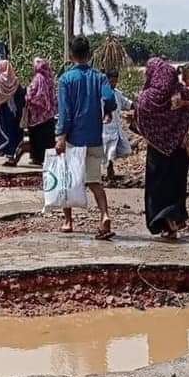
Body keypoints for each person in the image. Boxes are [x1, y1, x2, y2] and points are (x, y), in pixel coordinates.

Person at [136, 57, 189, 239]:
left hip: (156, 152)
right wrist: (181, 129)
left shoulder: (145, 99)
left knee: (157, 188)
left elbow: (139, 123)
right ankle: (175, 220)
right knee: (176, 186)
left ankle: (165, 224)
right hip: (179, 150)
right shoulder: (182, 92)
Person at [56, 35, 116, 239]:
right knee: (94, 181)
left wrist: (61, 136)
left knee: (68, 180)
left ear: (71, 55)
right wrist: (107, 110)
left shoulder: (65, 79)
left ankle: (68, 221)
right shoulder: (99, 77)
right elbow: (109, 97)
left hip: (74, 138)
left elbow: (64, 111)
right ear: (89, 55)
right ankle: (104, 215)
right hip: (94, 137)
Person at [0, 60, 26, 166]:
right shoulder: (16, 81)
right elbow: (21, 95)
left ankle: (10, 156)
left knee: (6, 131)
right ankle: (15, 151)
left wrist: (2, 99)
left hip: (4, 111)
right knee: (15, 131)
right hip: (16, 112)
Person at [102, 69, 133, 182]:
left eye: (115, 81)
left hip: (116, 127)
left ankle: (110, 167)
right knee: (107, 151)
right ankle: (109, 169)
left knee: (117, 151)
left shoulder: (117, 93)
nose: (113, 84)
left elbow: (128, 103)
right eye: (111, 81)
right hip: (105, 128)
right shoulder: (101, 95)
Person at [26, 57, 57, 166]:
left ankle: (38, 158)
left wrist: (27, 96)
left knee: (37, 136)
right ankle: (47, 158)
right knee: (47, 137)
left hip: (38, 115)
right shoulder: (49, 78)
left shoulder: (38, 78)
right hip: (48, 114)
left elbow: (35, 95)